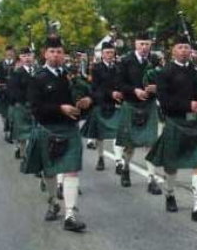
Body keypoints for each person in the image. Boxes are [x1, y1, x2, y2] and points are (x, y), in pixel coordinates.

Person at [146, 35, 197, 224]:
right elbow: (164, 102)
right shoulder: (165, 72)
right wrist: (188, 104)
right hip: (176, 121)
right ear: (173, 51)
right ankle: (169, 194)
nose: (184, 50)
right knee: (172, 164)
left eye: (187, 47)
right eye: (180, 47)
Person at [23, 35, 92, 232]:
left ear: (64, 55)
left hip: (70, 129)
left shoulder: (72, 77)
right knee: (50, 172)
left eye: (59, 52)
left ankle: (70, 214)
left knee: (71, 170)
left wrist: (87, 101)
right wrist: (60, 108)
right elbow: (35, 108)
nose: (55, 55)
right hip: (48, 129)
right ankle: (54, 202)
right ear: (45, 54)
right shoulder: (37, 78)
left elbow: (90, 94)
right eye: (52, 51)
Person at [115, 32, 162, 194]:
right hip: (131, 104)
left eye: (147, 44)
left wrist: (157, 87)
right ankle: (126, 168)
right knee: (130, 145)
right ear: (135, 44)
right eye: (141, 44)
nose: (144, 47)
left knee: (151, 143)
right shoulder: (126, 61)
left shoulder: (155, 60)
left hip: (149, 105)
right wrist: (134, 90)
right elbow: (120, 83)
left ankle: (151, 179)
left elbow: (163, 80)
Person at [81, 41, 125, 173]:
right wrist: (110, 93)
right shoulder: (97, 68)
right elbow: (95, 89)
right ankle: (100, 157)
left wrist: (121, 93)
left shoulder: (119, 68)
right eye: (107, 52)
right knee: (100, 135)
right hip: (101, 104)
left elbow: (122, 83)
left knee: (119, 132)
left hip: (116, 105)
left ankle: (118, 160)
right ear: (102, 54)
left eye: (111, 52)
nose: (109, 55)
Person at [7, 47, 36, 160]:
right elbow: (13, 90)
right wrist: (22, 101)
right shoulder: (17, 73)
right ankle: (22, 151)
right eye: (24, 56)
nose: (27, 58)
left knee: (34, 132)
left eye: (29, 55)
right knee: (22, 133)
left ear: (33, 56)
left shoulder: (39, 71)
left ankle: (29, 153)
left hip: (36, 106)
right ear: (20, 58)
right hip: (22, 105)